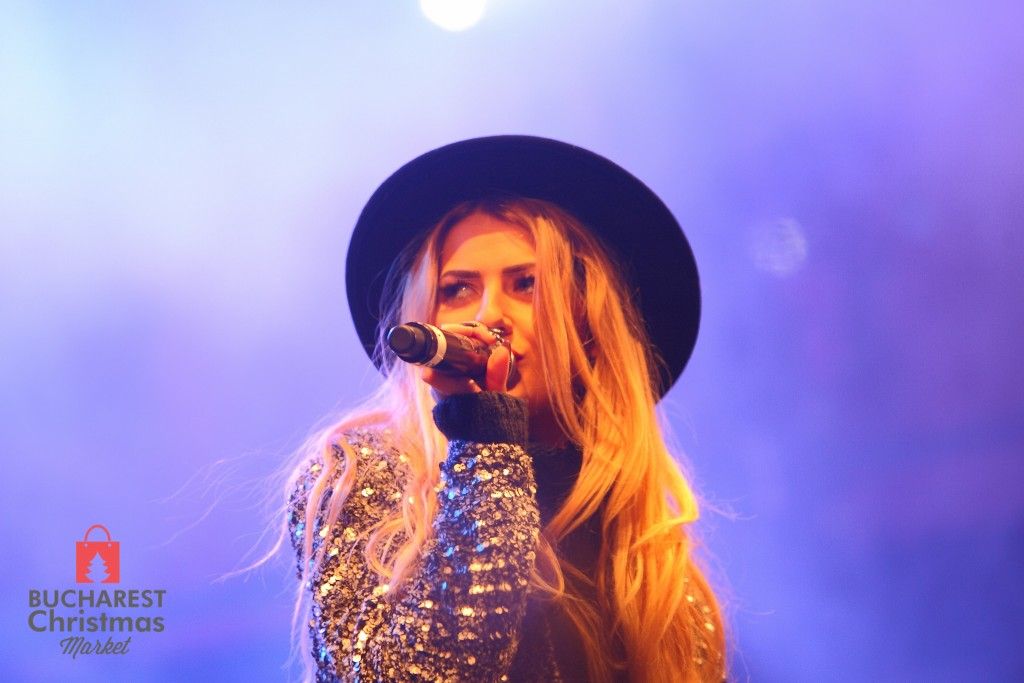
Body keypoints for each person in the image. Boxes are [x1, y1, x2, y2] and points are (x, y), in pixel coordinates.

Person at [284, 136, 726, 682]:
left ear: (589, 319)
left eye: (526, 284)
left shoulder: (649, 550)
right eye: (458, 290)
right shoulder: (358, 476)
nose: (490, 314)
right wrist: (484, 438)